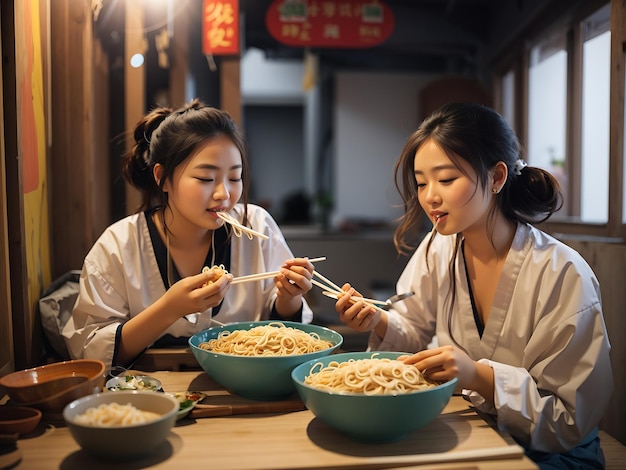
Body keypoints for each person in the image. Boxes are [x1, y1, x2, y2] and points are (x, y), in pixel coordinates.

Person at [333, 102, 613, 468]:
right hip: (476, 427)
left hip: (554, 453)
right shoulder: (439, 245)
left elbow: (571, 419)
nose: (430, 196)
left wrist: (478, 375)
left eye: (446, 179)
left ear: (497, 178)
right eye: (421, 183)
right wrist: (378, 321)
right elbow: (413, 327)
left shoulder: (561, 272)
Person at [62, 99, 315, 370]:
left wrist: (289, 298)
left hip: (245, 388)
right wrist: (169, 309)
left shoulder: (256, 227)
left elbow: (287, 334)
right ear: (163, 177)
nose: (224, 195)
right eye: (206, 179)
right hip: (148, 397)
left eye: (234, 178)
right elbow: (89, 352)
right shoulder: (119, 245)